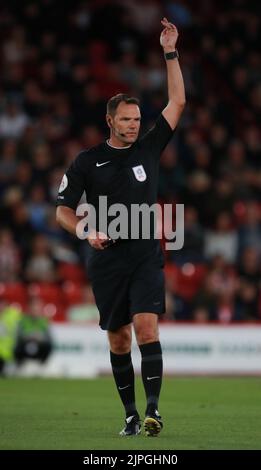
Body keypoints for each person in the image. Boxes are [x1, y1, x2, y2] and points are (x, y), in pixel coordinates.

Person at [56, 17, 185, 437]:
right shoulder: (87, 161)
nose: (134, 124)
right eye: (127, 119)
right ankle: (129, 414)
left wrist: (170, 52)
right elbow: (63, 210)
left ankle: (153, 412)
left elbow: (178, 102)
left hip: (145, 253)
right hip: (106, 256)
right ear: (111, 121)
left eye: (137, 118)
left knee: (147, 326)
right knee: (118, 341)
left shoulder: (149, 146)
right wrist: (86, 233)